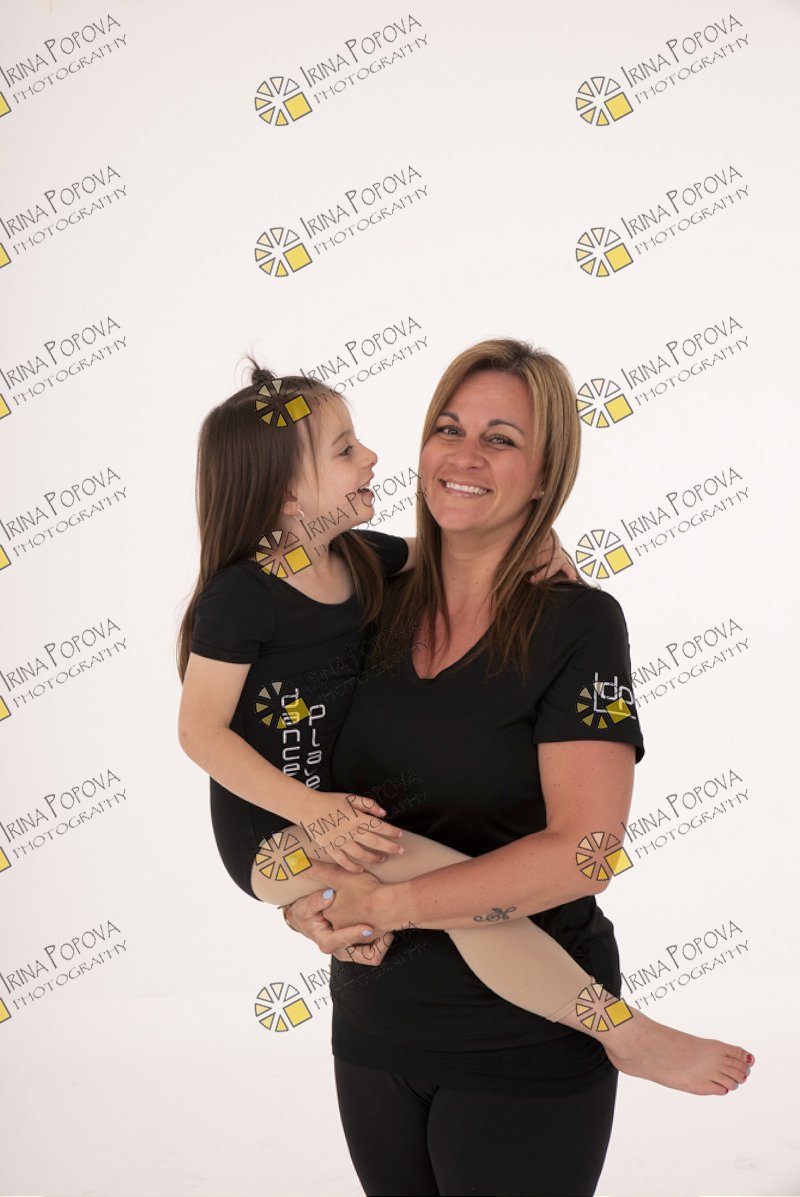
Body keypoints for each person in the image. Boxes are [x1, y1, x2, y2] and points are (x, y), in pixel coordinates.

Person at [177, 351, 753, 1197]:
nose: (463, 454)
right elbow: (234, 738)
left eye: (502, 438)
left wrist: (385, 902)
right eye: (449, 428)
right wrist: (315, 900)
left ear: (545, 473)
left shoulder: (567, 621)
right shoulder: (369, 591)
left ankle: (619, 1029)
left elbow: (587, 852)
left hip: (520, 1048)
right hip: (373, 1029)